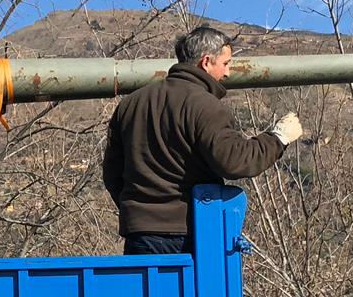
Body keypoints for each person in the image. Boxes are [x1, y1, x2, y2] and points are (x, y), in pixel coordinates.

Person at [101, 25, 303, 253]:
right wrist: (278, 138)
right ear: (206, 62)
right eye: (225, 64)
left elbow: (112, 173)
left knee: (148, 289)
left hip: (139, 234)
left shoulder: (130, 104)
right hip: (189, 231)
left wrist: (137, 211)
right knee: (197, 290)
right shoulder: (206, 106)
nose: (227, 73)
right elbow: (235, 161)